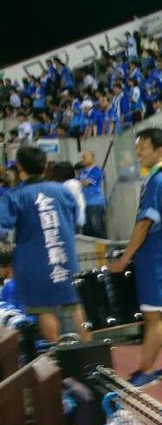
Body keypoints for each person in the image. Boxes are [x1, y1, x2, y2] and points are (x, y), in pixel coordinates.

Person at [109, 128, 162, 387]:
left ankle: (145, 371)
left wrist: (125, 258)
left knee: (153, 317)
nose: (138, 152)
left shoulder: (158, 182)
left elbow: (145, 222)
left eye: (143, 147)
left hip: (157, 259)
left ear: (160, 150)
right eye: (137, 147)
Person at [0, 146, 89, 344]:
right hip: (65, 256)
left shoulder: (15, 196)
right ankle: (91, 348)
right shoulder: (62, 191)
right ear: (43, 166)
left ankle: (58, 352)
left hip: (33, 263)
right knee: (75, 304)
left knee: (44, 309)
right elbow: (77, 219)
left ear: (20, 168)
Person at [47, 161, 86, 231]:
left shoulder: (71, 184)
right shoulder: (64, 184)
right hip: (69, 217)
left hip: (73, 218)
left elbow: (68, 203)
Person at [77, 150, 107, 238]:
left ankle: (104, 245)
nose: (82, 159)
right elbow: (77, 183)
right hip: (84, 204)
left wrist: (79, 183)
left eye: (85, 157)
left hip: (95, 204)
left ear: (92, 158)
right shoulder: (82, 172)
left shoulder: (96, 170)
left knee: (97, 228)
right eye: (82, 157)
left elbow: (85, 183)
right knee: (87, 230)